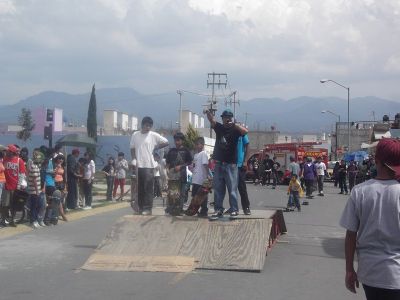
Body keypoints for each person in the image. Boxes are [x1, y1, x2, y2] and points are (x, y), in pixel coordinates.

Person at [340, 138, 400, 299]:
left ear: (376, 160)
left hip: (370, 274)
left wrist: (349, 270)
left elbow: (351, 235)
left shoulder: (360, 192)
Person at [205, 108, 248, 220]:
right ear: (222, 118)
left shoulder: (235, 129)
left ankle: (234, 209)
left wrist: (234, 124)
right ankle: (218, 209)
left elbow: (245, 131)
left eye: (228, 117)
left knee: (232, 188)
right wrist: (208, 113)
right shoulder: (219, 128)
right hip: (219, 163)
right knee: (218, 189)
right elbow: (212, 121)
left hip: (231, 164)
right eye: (224, 117)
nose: (226, 119)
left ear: (231, 118)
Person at [130, 116, 169, 215]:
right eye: (146, 125)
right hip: (139, 165)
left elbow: (166, 142)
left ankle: (148, 208)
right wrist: (134, 159)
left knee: (148, 188)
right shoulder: (135, 135)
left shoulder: (153, 135)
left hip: (149, 165)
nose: (148, 128)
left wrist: (156, 147)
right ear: (142, 125)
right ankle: (140, 207)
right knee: (140, 188)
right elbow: (132, 148)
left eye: (150, 126)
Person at [165, 132, 193, 215]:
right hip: (173, 176)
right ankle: (172, 209)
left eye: (178, 140)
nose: (176, 142)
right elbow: (167, 162)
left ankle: (180, 209)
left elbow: (190, 161)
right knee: (173, 193)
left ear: (182, 141)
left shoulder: (186, 151)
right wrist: (167, 171)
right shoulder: (171, 151)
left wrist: (181, 166)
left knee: (182, 193)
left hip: (183, 175)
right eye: (175, 140)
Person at [0, 144, 26, 227]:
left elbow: (22, 174)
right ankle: (3, 220)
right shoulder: (4, 159)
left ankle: (12, 220)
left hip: (15, 187)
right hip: (6, 186)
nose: (6, 152)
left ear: (12, 152)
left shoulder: (19, 161)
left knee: (14, 205)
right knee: (4, 205)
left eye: (8, 151)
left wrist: (18, 185)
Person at [190, 137, 210, 217]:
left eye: (199, 144)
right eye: (196, 144)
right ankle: (195, 210)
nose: (197, 146)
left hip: (202, 179)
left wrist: (208, 174)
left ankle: (204, 210)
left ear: (202, 145)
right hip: (195, 179)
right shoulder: (195, 155)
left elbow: (205, 165)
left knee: (202, 196)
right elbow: (194, 166)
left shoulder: (203, 154)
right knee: (195, 195)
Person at [27, 149, 46, 228]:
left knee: (37, 205)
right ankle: (33, 221)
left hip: (36, 189)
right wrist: (38, 191)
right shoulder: (34, 167)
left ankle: (35, 220)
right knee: (34, 206)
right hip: (34, 190)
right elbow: (34, 180)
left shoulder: (36, 166)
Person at [237, 133, 251, 215]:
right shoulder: (228, 132)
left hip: (240, 166)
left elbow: (248, 146)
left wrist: (245, 161)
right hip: (230, 165)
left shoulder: (241, 133)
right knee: (231, 189)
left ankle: (246, 207)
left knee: (242, 188)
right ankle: (233, 207)